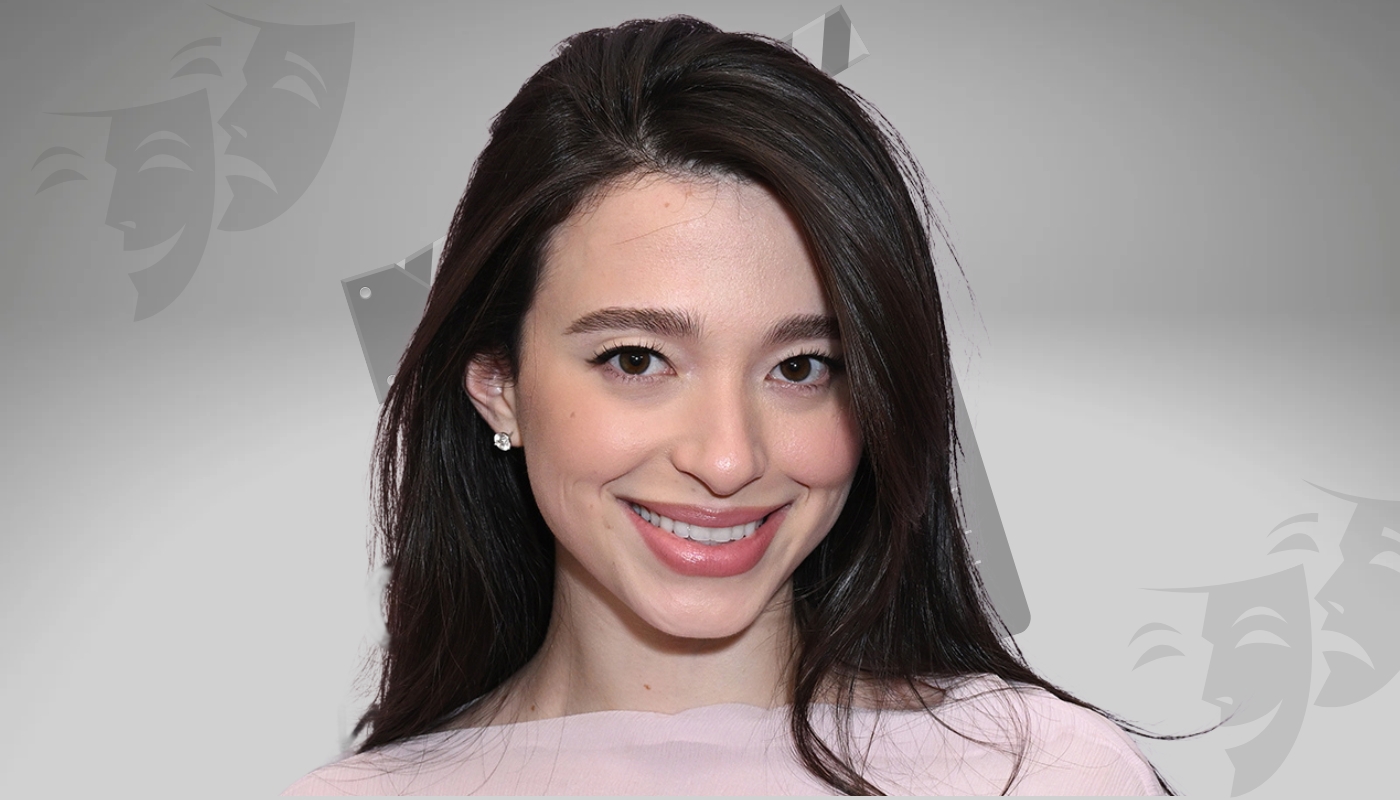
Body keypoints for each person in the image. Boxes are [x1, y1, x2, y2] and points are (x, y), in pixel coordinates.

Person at [284, 16, 1174, 795]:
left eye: (801, 367)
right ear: (499, 386)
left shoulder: (1040, 778)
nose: (727, 459)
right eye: (636, 360)